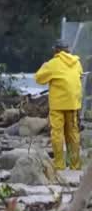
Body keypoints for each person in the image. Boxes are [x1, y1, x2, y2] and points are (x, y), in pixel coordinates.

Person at [35, 40, 83, 170]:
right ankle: (75, 165)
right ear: (68, 50)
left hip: (58, 105)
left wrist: (44, 66)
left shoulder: (52, 64)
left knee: (57, 133)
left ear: (55, 50)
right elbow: (79, 77)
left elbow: (38, 79)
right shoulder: (77, 63)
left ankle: (59, 164)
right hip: (73, 104)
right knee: (73, 133)